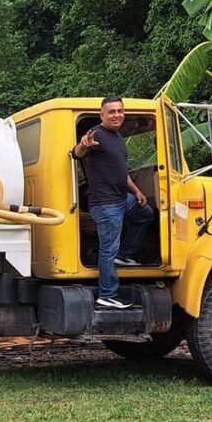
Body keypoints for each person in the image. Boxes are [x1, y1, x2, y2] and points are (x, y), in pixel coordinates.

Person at [70, 96, 154, 310]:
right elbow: (77, 153)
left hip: (122, 199)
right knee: (108, 249)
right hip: (106, 204)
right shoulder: (97, 134)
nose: (116, 115)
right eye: (111, 112)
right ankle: (107, 294)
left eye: (119, 111)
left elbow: (121, 172)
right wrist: (82, 145)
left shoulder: (116, 138)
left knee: (146, 214)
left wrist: (136, 192)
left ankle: (125, 255)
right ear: (102, 115)